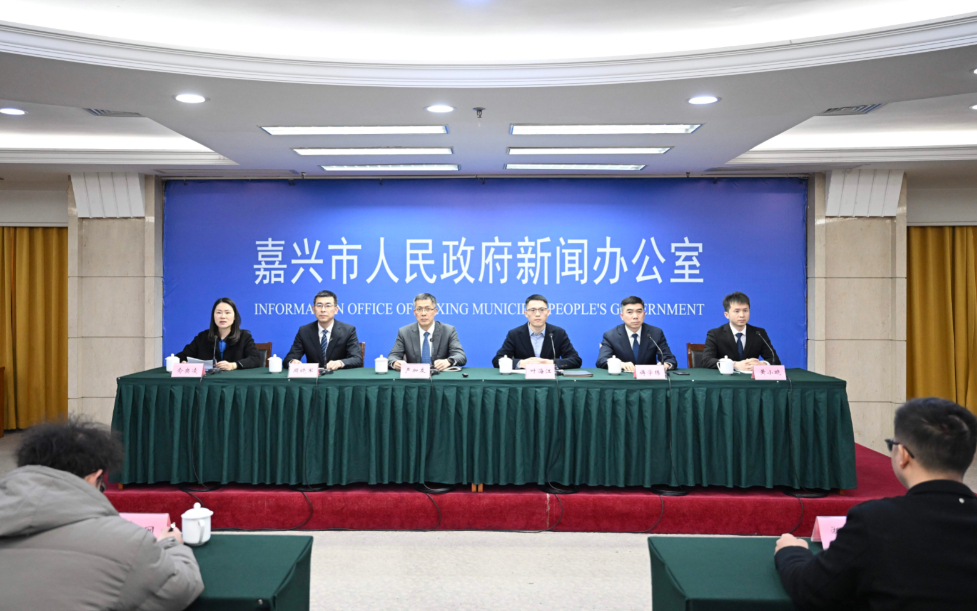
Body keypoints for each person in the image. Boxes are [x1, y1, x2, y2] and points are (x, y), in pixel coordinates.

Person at [774, 397, 977, 610]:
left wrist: (791, 552)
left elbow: (811, 590)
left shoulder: (875, 521)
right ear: (971, 457)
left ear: (903, 455)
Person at [0, 418, 203, 610]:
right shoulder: (127, 543)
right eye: (101, 485)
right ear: (93, 477)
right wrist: (171, 544)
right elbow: (180, 589)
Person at [492, 294, 581, 370]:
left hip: (550, 380)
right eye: (533, 310)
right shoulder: (514, 334)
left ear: (548, 312)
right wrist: (521, 363)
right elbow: (497, 360)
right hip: (523, 380)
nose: (537, 314)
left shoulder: (558, 333)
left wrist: (551, 363)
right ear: (526, 313)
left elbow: (576, 360)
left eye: (542, 310)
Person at [176, 297, 263, 370]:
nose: (223, 316)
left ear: (235, 317)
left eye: (227, 312)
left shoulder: (244, 337)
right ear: (213, 316)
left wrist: (233, 365)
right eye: (218, 312)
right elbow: (181, 356)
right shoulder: (202, 337)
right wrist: (183, 362)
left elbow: (256, 359)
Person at [284, 290, 363, 370]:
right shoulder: (304, 331)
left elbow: (357, 359)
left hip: (339, 376)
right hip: (314, 377)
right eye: (319, 305)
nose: (323, 310)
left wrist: (339, 363)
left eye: (328, 305)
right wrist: (293, 362)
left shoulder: (348, 330)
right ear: (313, 309)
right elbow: (289, 359)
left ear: (336, 309)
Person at [388, 293, 466, 371]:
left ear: (435, 311)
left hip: (440, 376)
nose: (423, 313)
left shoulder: (448, 331)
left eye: (428, 309)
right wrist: (395, 363)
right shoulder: (405, 332)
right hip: (414, 376)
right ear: (414, 312)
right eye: (419, 309)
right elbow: (392, 357)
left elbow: (460, 356)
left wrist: (448, 361)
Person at [700, 292, 776, 371]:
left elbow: (774, 359)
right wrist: (734, 365)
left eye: (745, 310)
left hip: (750, 377)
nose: (742, 315)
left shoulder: (759, 333)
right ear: (726, 315)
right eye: (737, 311)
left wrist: (762, 364)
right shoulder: (715, 334)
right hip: (726, 377)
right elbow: (706, 361)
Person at [596, 296, 677, 371]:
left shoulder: (655, 333)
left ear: (644, 314)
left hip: (648, 379)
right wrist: (620, 364)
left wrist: (665, 365)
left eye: (639, 311)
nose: (635, 316)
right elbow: (601, 360)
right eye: (630, 312)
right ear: (622, 316)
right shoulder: (611, 335)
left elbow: (669, 359)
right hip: (622, 379)